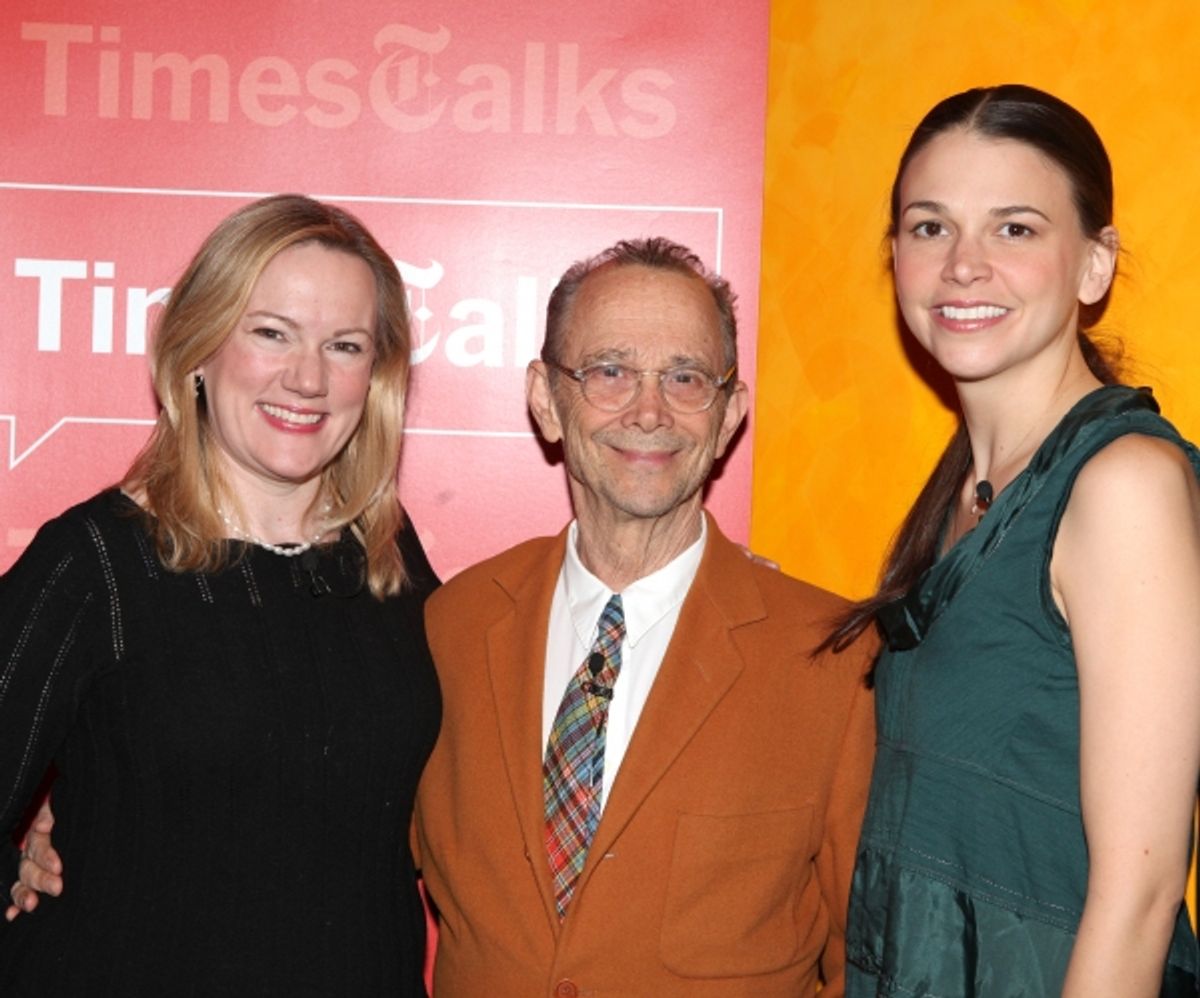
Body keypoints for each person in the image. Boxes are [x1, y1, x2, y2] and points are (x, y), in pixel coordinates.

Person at [0, 194, 441, 995]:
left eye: (344, 345)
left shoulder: (388, 560)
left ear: (374, 376)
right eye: (270, 332)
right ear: (197, 348)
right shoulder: (95, 561)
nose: (306, 378)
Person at [411, 237, 875, 995]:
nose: (650, 410)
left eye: (687, 377)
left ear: (729, 415)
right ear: (545, 399)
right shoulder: (450, 628)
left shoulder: (834, 660)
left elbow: (870, 959)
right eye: (611, 371)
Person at [825, 85, 1200, 996]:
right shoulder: (967, 486)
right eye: (929, 227)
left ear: (1094, 265)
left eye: (1015, 230)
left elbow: (1141, 893)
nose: (962, 266)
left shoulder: (1122, 488)